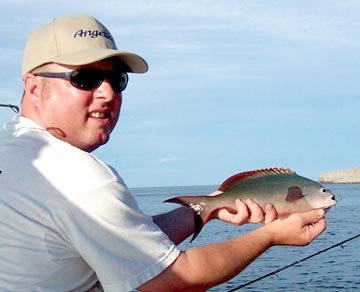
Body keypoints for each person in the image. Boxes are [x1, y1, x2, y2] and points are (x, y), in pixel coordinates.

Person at [0, 14, 326, 292]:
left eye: (117, 79)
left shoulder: (12, 153)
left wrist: (205, 207)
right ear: (34, 87)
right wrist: (270, 235)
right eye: (85, 78)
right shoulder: (78, 176)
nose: (108, 93)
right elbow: (176, 279)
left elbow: (121, 238)